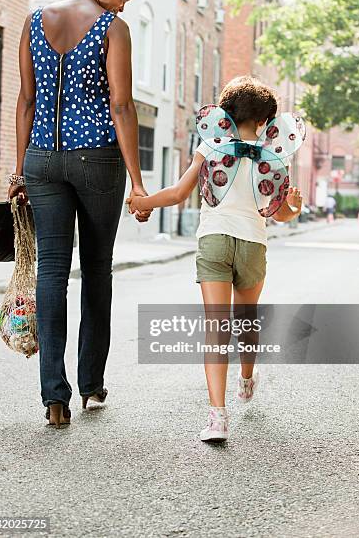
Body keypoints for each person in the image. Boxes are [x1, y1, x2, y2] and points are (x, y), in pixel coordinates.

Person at [7, 0, 152, 428]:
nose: (123, 6)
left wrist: (19, 168)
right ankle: (90, 384)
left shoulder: (33, 20)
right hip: (97, 160)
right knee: (96, 269)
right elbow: (122, 105)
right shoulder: (113, 30)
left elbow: (25, 100)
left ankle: (54, 396)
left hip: (42, 160)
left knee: (51, 272)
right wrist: (136, 179)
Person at [127, 76, 303, 442]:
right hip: (253, 242)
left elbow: (178, 193)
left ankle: (217, 418)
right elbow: (280, 213)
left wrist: (142, 202)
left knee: (216, 329)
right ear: (263, 121)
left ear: (226, 114)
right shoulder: (273, 155)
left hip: (214, 240)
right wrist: (296, 208)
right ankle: (247, 378)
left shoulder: (211, 145)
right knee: (247, 319)